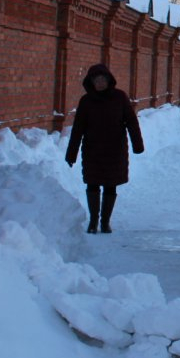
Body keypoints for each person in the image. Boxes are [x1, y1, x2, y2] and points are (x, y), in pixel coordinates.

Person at [65, 64, 144, 233]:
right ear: (91, 82)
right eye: (96, 80)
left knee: (110, 185)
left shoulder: (120, 97)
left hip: (115, 150)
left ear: (109, 80)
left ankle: (105, 221)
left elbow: (131, 121)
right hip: (92, 150)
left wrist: (138, 145)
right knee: (92, 184)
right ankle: (93, 221)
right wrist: (71, 154)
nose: (100, 83)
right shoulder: (86, 101)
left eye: (103, 79)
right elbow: (78, 129)